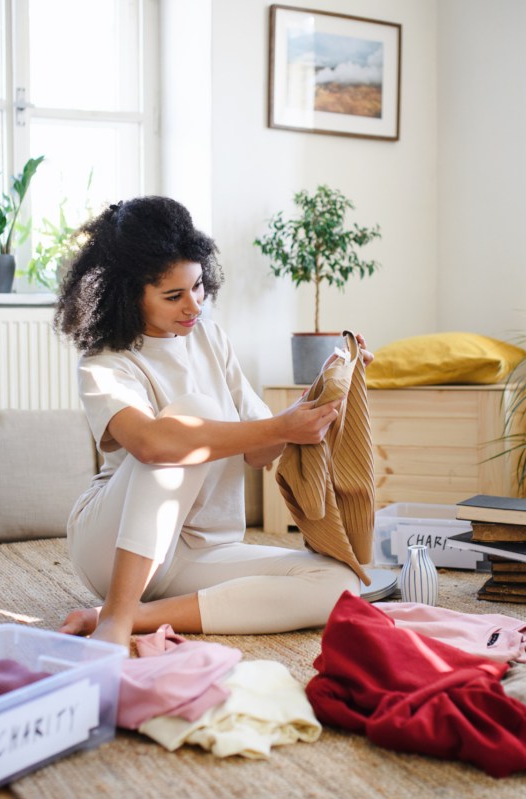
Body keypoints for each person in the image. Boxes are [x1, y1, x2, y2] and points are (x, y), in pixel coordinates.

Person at [52, 195, 371, 648]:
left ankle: (137, 616)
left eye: (199, 286)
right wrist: (279, 427)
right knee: (191, 417)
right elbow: (150, 443)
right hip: (112, 548)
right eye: (173, 295)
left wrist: (322, 395)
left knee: (340, 584)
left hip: (203, 550)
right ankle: (116, 616)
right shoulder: (105, 362)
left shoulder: (211, 339)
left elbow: (261, 450)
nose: (194, 305)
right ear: (127, 293)